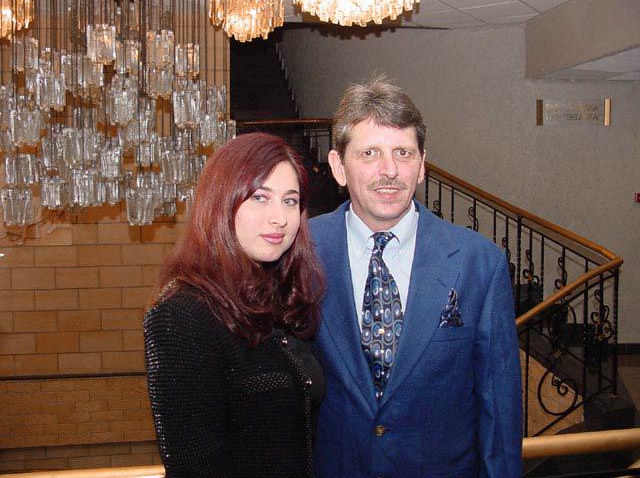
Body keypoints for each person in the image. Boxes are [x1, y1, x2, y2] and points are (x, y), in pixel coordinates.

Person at [310, 77, 522, 477]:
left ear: (422, 165)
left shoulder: (479, 264)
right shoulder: (301, 252)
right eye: (369, 153)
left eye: (403, 153)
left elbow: (500, 410)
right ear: (338, 167)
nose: (389, 170)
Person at [143, 132, 325, 478]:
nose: (280, 218)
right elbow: (195, 467)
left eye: (290, 201)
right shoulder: (181, 315)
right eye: (260, 197)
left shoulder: (284, 300)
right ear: (222, 202)